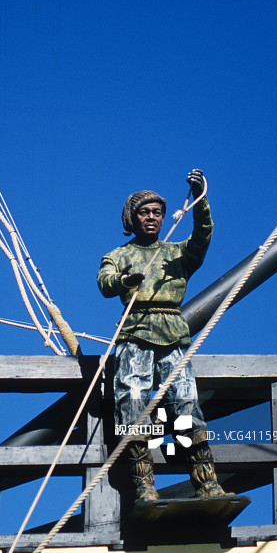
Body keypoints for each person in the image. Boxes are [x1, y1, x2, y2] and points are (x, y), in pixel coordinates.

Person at [97, 169, 226, 506]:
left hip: (173, 333)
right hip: (136, 333)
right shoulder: (119, 255)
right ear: (132, 217)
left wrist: (200, 201)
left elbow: (203, 236)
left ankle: (207, 482)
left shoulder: (177, 253)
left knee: (186, 404)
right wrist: (126, 280)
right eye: (145, 212)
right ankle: (143, 485)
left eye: (157, 212)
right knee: (133, 405)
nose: (152, 218)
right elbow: (105, 281)